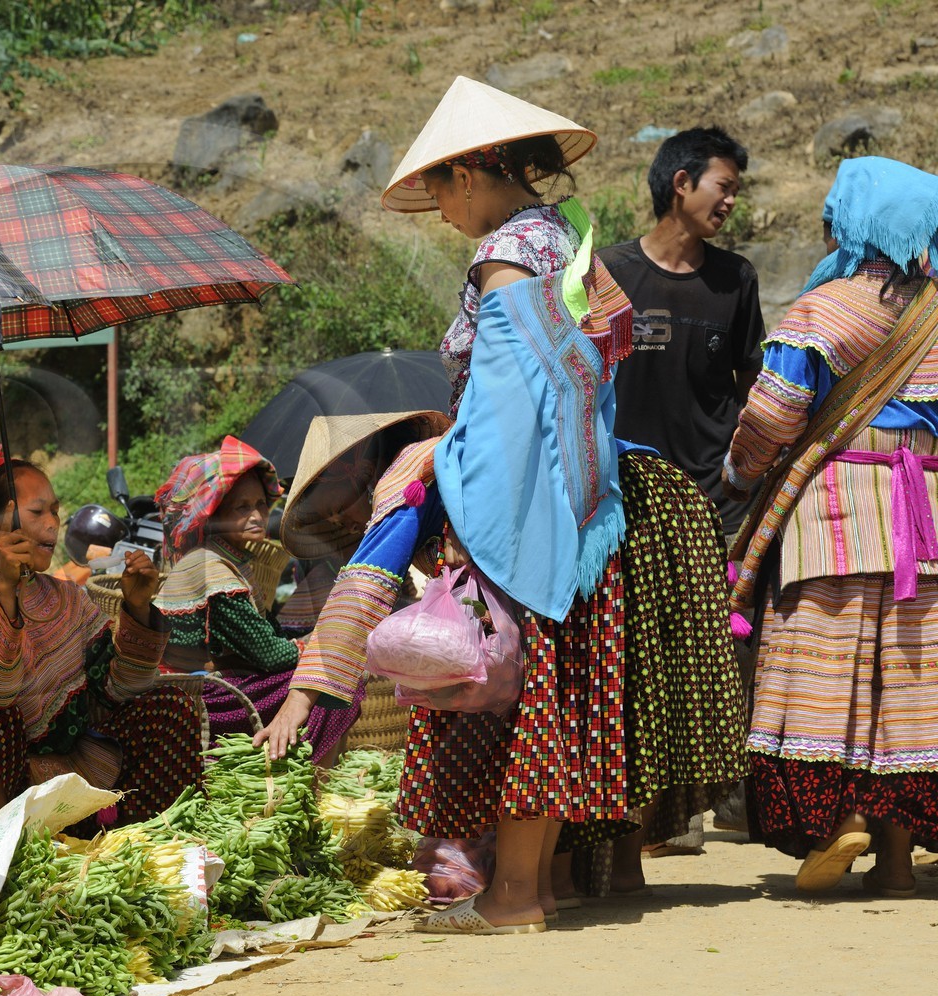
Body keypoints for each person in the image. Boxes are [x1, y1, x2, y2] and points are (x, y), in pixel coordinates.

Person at [265, 77, 743, 934]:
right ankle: (536, 887)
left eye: (443, 187)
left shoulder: (510, 256)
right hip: (584, 504)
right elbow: (582, 383)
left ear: (478, 171)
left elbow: (511, 404)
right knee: (553, 701)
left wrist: (447, 471)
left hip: (527, 507)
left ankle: (514, 896)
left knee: (520, 706)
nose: (441, 208)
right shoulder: (566, 238)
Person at [724, 156, 938, 896]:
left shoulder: (824, 308)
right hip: (928, 520)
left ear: (852, 223)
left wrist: (741, 469)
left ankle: (842, 816)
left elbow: (774, 413)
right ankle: (901, 865)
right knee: (905, 686)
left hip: (838, 513)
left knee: (833, 671)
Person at [593, 126, 766, 872]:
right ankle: (628, 832)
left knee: (706, 661)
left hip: (709, 502)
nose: (731, 201)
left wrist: (742, 479)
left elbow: (753, 389)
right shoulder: (607, 272)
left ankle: (695, 807)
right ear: (680, 185)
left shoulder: (736, 280)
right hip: (623, 498)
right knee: (631, 660)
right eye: (722, 186)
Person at [0, 452, 201, 858]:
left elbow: (117, 692)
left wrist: (137, 609)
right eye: (37, 512)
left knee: (168, 706)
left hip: (74, 780)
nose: (53, 523)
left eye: (55, 511)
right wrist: (6, 596)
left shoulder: (68, 598)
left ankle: (155, 859)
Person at [153, 436, 349, 763]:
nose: (257, 515)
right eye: (242, 507)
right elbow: (270, 655)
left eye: (260, 504)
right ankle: (307, 771)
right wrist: (320, 644)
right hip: (199, 699)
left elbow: (268, 631)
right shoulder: (212, 571)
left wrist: (313, 638)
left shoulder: (232, 560)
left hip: (219, 685)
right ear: (214, 515)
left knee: (326, 671)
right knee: (333, 679)